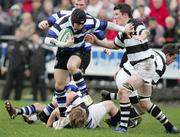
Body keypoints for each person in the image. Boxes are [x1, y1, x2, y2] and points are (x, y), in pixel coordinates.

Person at [85, 3, 180, 134]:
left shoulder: (135, 23)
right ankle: (170, 127)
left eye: (117, 15)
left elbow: (144, 31)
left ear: (125, 15)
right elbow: (114, 45)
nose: (115, 18)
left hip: (144, 67)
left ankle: (123, 127)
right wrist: (96, 42)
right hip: (144, 68)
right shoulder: (124, 32)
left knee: (124, 91)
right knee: (145, 104)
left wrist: (142, 36)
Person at [44, 8, 132, 112]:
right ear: (72, 21)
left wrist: (123, 29)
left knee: (71, 66)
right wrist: (64, 44)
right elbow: (47, 40)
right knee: (59, 85)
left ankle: (85, 95)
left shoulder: (90, 21)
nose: (81, 26)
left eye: (83, 24)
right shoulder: (62, 23)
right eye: (78, 24)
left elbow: (108, 24)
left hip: (79, 50)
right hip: (63, 51)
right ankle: (62, 115)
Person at [101, 45, 180, 128]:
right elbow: (149, 84)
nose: (173, 61)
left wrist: (120, 68)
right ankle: (119, 122)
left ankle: (111, 106)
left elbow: (127, 52)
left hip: (122, 74)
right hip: (129, 79)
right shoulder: (161, 66)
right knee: (142, 107)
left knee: (139, 105)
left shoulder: (149, 50)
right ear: (167, 55)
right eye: (174, 58)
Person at [46, 91, 120, 129]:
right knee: (110, 104)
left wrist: (49, 125)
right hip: (92, 120)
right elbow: (72, 94)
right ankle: (113, 123)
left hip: (87, 121)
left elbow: (54, 113)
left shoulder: (65, 121)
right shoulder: (83, 108)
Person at [1, 28, 31, 100]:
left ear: (23, 35)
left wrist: (27, 69)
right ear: (15, 34)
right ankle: (4, 100)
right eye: (17, 34)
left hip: (21, 69)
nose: (18, 36)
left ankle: (17, 101)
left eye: (20, 35)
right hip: (10, 68)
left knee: (19, 86)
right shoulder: (10, 43)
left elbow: (28, 59)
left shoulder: (25, 45)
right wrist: (3, 67)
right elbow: (6, 57)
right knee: (7, 85)